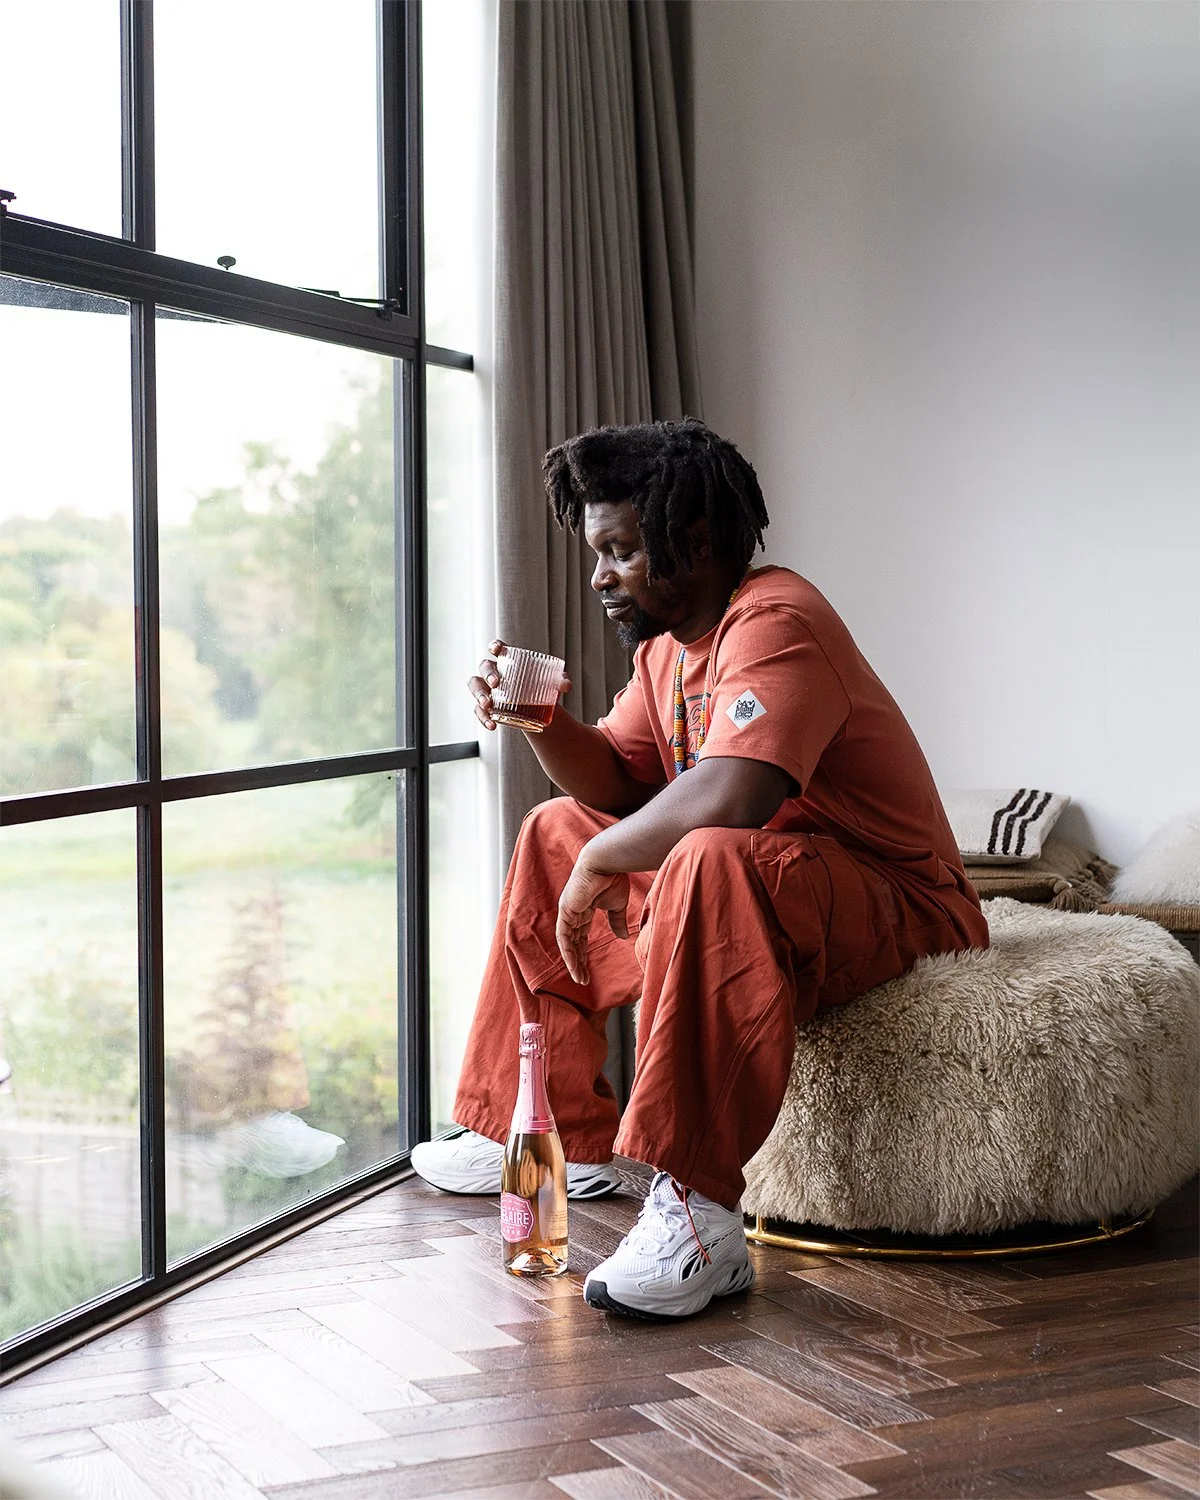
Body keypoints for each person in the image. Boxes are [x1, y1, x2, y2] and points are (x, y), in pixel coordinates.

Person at [412, 418, 988, 1319]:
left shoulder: (778, 620)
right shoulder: (667, 649)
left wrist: (606, 856)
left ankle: (698, 1211)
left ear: (695, 538)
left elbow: (734, 795)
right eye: (597, 554)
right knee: (557, 828)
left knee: (708, 852)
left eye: (620, 552)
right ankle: (549, 1132)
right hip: (782, 885)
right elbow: (617, 776)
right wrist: (540, 718)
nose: (600, 577)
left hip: (902, 903)